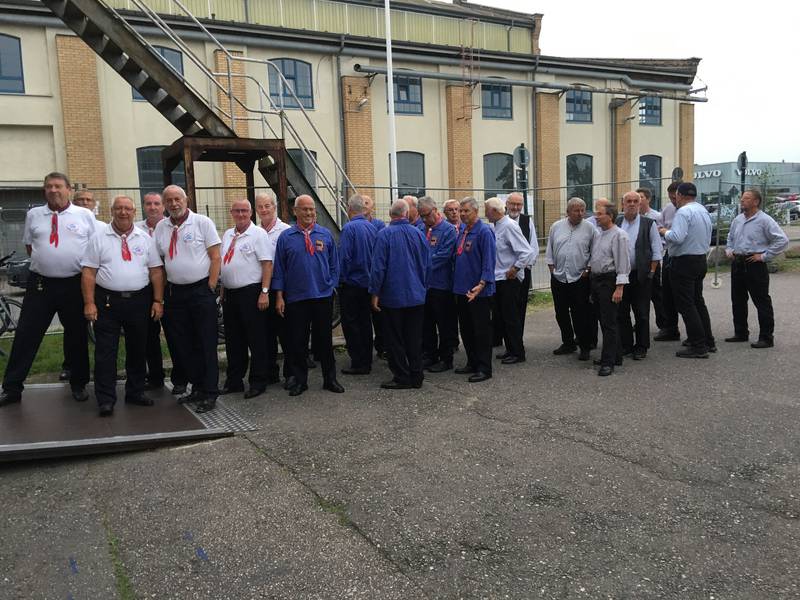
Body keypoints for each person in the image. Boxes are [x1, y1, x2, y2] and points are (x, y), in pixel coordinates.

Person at [0, 172, 95, 407]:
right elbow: (30, 246)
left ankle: (78, 383)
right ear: (45, 190)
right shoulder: (34, 214)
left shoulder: (84, 215)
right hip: (41, 284)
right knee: (26, 335)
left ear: (68, 190)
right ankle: (12, 388)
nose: (53, 190)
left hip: (74, 284)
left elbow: (94, 248)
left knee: (76, 335)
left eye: (58, 186)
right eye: (49, 186)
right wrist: (49, 261)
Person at [80, 195, 164, 416]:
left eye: (127, 208)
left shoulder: (145, 238)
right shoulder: (98, 237)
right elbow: (89, 273)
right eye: (119, 208)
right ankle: (106, 399)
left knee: (138, 349)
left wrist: (158, 300)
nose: (123, 212)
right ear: (112, 211)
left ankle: (135, 392)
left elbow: (156, 271)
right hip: (107, 302)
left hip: (139, 301)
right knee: (105, 351)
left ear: (134, 212)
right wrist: (89, 303)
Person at [153, 185, 221, 412]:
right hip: (175, 294)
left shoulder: (202, 223)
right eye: (169, 200)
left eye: (177, 199)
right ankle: (197, 388)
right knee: (183, 344)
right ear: (164, 204)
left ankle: (210, 392)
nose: (174, 204)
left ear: (186, 200)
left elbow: (215, 257)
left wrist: (211, 286)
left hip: (201, 291)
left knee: (206, 343)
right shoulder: (161, 227)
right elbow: (160, 263)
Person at [273, 195, 344, 397]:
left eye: (312, 209)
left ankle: (330, 379)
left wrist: (330, 285)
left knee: (325, 341)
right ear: (295, 211)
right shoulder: (286, 237)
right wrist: (279, 297)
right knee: (298, 342)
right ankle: (300, 381)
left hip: (322, 297)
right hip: (296, 298)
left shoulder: (325, 234)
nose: (309, 212)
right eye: (304, 209)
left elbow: (334, 265)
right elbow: (279, 269)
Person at [369, 199, 430, 389]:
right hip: (416, 295)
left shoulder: (384, 235)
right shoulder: (418, 234)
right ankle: (417, 375)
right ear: (407, 214)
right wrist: (423, 286)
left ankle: (402, 376)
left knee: (394, 339)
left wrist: (375, 292)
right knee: (414, 337)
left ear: (390, 214)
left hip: (392, 296)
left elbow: (378, 267)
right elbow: (427, 264)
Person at [220, 199, 272, 399]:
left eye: (244, 210)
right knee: (234, 341)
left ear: (251, 213)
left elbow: (267, 264)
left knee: (256, 339)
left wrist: (264, 292)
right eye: (237, 211)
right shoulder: (227, 234)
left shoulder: (258, 234)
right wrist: (223, 291)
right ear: (231, 212)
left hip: (251, 293)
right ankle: (234, 381)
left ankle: (258, 382)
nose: (240, 214)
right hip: (230, 294)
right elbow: (225, 264)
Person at [724, 189, 789, 348]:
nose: (742, 201)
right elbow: (730, 238)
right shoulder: (738, 220)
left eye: (746, 198)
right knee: (738, 300)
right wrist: (729, 250)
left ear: (756, 202)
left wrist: (764, 256)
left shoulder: (764, 220)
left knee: (761, 301)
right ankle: (740, 332)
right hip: (738, 262)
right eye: (742, 198)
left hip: (754, 264)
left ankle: (766, 337)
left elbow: (782, 240)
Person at [659, 182, 715, 358]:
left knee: (686, 305)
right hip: (699, 259)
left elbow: (677, 237)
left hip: (684, 262)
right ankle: (707, 340)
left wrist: (664, 231)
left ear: (680, 195)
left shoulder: (683, 212)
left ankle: (698, 345)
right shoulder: (702, 210)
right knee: (697, 302)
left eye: (676, 195)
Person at [545, 197, 597, 361]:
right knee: (561, 313)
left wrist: (587, 270)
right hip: (559, 277)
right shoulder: (556, 226)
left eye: (582, 210)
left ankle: (584, 346)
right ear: (568, 212)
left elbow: (595, 252)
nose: (580, 213)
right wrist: (552, 269)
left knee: (580, 314)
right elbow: (549, 250)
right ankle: (568, 342)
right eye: (576, 210)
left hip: (580, 278)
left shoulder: (590, 228)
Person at [486, 197, 535, 364]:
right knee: (502, 317)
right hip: (499, 278)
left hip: (509, 279)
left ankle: (518, 352)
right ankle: (510, 349)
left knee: (511, 317)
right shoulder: (495, 226)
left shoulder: (509, 226)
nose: (485, 214)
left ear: (494, 211)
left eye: (487, 210)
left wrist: (515, 268)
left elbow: (526, 251)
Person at [453, 197, 496, 382]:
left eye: (466, 211)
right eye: (461, 211)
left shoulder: (484, 231)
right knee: (466, 329)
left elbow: (489, 260)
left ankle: (484, 368)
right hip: (462, 289)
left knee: (481, 331)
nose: (462, 214)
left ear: (476, 212)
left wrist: (483, 283)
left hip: (478, 291)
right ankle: (472, 362)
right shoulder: (463, 230)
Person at [616, 191, 662, 360]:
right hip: (621, 275)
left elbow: (656, 250)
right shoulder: (617, 222)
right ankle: (626, 345)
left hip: (641, 275)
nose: (632, 204)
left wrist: (651, 272)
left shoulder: (648, 223)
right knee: (622, 312)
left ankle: (642, 346)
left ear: (640, 203)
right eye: (628, 201)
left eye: (636, 201)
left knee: (641, 313)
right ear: (623, 204)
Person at [589, 204, 630, 376]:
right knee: (603, 320)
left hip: (609, 281)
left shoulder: (619, 235)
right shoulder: (599, 234)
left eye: (600, 214)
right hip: (597, 281)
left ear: (610, 216)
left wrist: (619, 288)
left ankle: (608, 362)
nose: (596, 217)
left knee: (609, 323)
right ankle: (616, 355)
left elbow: (623, 263)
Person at [135, 192, 170, 391]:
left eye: (157, 203)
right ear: (143, 206)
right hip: (145, 288)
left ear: (163, 206)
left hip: (170, 286)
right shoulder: (136, 229)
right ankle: (155, 376)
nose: (153, 207)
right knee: (148, 335)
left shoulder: (169, 227)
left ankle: (182, 376)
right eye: (148, 203)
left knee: (174, 334)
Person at [338, 194, 377, 375]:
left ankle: (358, 362)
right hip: (368, 284)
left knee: (351, 324)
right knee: (365, 323)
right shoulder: (372, 228)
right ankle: (367, 360)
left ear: (349, 209)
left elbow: (345, 257)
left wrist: (340, 280)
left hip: (352, 284)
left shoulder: (349, 228)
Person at [255, 193, 292, 386]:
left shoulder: (285, 231)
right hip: (262, 289)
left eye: (267, 206)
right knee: (265, 334)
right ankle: (271, 372)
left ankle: (291, 374)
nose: (264, 210)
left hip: (282, 289)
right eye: (260, 206)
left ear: (274, 207)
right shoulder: (254, 231)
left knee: (286, 334)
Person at [418, 196, 457, 372]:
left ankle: (446, 358)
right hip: (424, 285)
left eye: (426, 215)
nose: (424, 219)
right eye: (421, 216)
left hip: (441, 285)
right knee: (426, 323)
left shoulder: (448, 230)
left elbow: (444, 255)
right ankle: (430, 354)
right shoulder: (420, 228)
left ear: (435, 210)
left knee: (444, 323)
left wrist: (421, 265)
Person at [504, 192, 539, 335]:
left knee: (520, 305)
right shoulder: (500, 219)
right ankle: (501, 339)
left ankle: (518, 339)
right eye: (512, 204)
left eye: (519, 204)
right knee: (503, 308)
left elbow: (533, 246)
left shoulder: (527, 221)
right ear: (506, 204)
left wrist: (523, 267)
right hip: (504, 273)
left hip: (522, 272)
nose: (515, 207)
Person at [653, 182, 681, 341]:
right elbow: (659, 226)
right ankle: (671, 328)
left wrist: (666, 232)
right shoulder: (668, 209)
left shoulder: (690, 210)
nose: (673, 201)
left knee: (685, 297)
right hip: (669, 253)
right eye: (670, 198)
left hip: (684, 256)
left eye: (675, 198)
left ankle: (698, 335)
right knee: (667, 293)